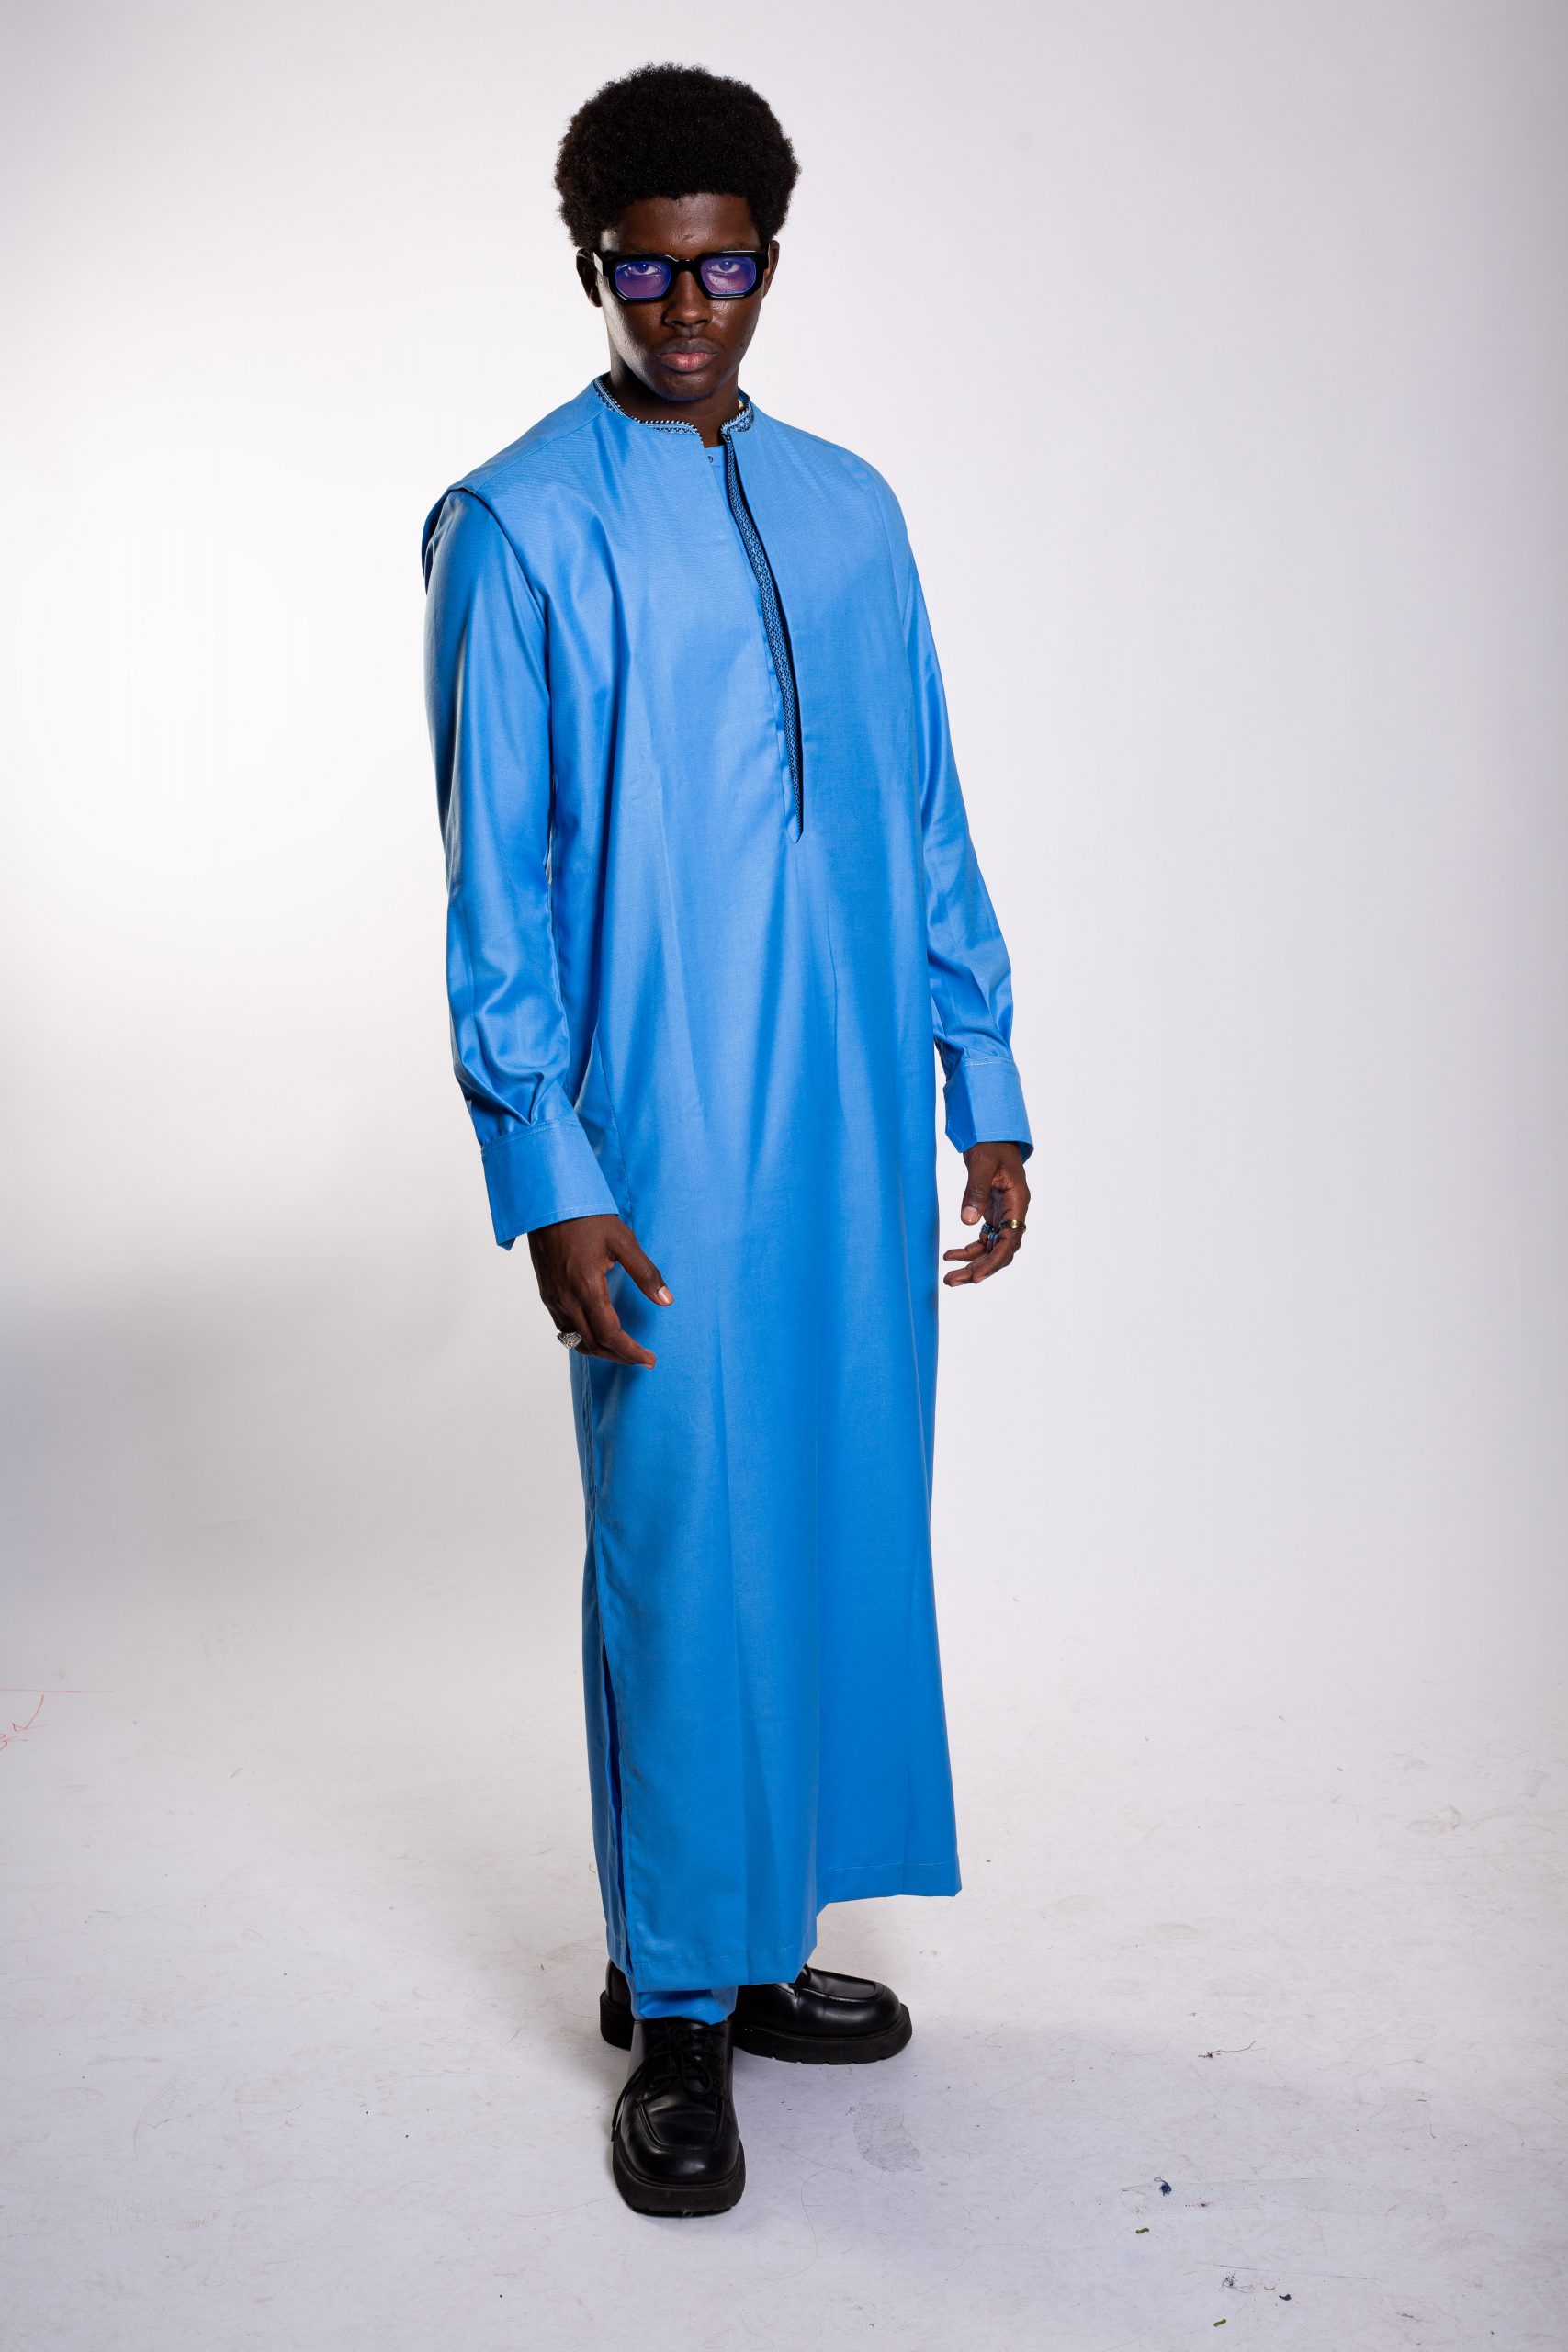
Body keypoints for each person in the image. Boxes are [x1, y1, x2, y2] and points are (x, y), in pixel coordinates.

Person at [421, 61, 1032, 2217]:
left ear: (771, 258)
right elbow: (494, 896)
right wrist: (549, 1172)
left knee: (830, 1516)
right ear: (587, 265)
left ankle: (754, 1938)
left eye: (724, 266)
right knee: (680, 1555)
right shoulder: (516, 528)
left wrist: (982, 1082)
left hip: (848, 1122)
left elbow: (925, 812)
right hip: (656, 1137)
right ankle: (671, 2003)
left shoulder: (852, 512)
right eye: (645, 270)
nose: (686, 308)